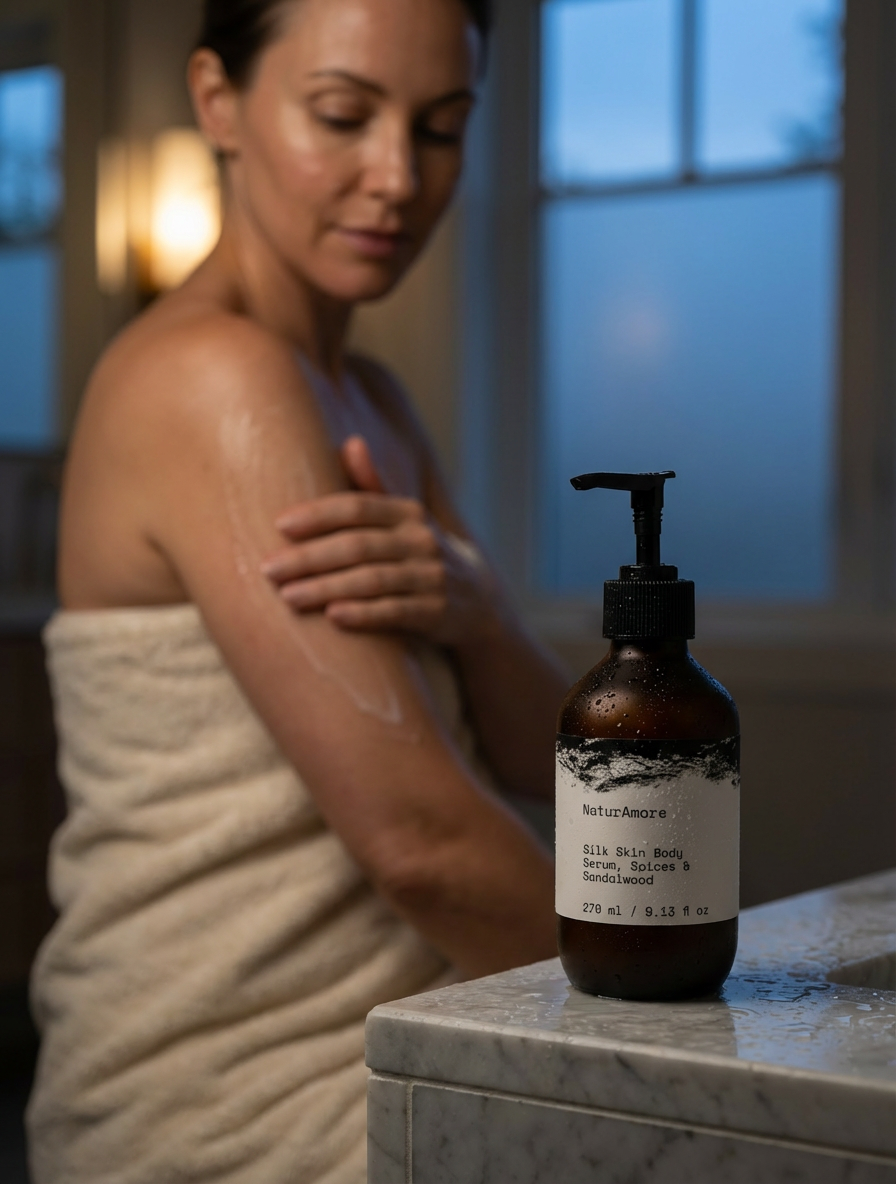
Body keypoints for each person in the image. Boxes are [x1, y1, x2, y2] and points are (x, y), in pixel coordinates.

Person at [27, 1, 566, 1180]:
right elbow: (422, 842)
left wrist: (472, 609)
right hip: (239, 1099)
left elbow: (546, 756)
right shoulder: (210, 377)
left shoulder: (371, 397)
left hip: (415, 1036)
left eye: (440, 127)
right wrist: (703, 985)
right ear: (217, 99)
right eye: (341, 114)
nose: (394, 177)